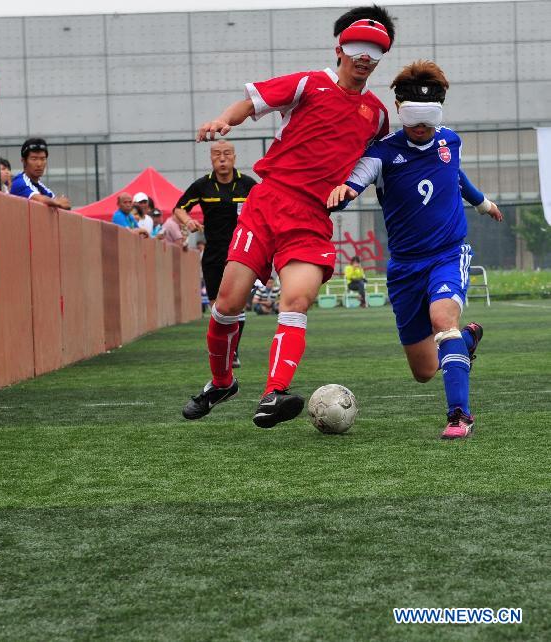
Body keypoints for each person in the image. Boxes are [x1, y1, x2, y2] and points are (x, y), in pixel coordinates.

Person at [183, 5, 395, 428]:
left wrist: (349, 189)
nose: (364, 56)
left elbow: (374, 164)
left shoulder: (378, 115)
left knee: (295, 300)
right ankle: (222, 383)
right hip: (267, 204)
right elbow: (251, 102)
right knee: (226, 306)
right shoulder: (308, 83)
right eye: (357, 46)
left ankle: (273, 394)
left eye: (374, 49)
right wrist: (224, 120)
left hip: (313, 218)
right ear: (340, 47)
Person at [327, 60, 504, 439]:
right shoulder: (382, 154)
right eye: (414, 120)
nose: (421, 128)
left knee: (443, 322)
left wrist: (483, 203)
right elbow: (353, 184)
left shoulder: (449, 141)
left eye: (428, 120)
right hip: (405, 267)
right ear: (399, 112)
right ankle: (467, 339)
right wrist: (342, 194)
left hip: (448, 253)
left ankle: (460, 415)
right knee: (424, 370)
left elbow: (455, 175)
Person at [173, 139, 257, 368]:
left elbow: (266, 208)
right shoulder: (202, 186)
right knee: (217, 307)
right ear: (211, 158)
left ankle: (234, 352)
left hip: (241, 252)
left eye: (227, 154)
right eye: (217, 154)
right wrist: (188, 220)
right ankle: (222, 350)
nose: (222, 158)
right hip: (213, 254)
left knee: (236, 304)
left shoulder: (248, 184)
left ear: (234, 157)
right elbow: (179, 208)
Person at [10, 138, 71, 209]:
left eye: (43, 159)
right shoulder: (19, 183)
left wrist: (60, 202)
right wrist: (57, 202)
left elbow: (62, 203)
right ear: (23, 161)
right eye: (34, 159)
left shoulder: (40, 186)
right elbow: (39, 199)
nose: (39, 164)